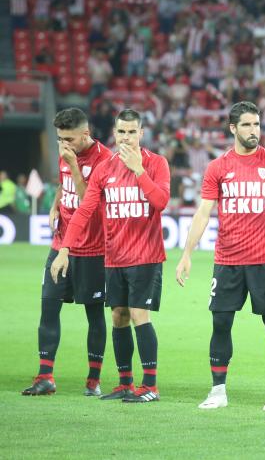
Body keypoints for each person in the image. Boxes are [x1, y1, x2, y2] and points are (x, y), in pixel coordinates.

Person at [176, 101, 265, 411]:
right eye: (247, 125)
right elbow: (203, 213)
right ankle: (218, 391)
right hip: (227, 261)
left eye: (257, 125)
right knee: (220, 323)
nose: (254, 131)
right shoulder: (218, 167)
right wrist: (186, 254)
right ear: (233, 128)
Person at [51, 108, 170, 403]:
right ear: (114, 133)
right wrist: (64, 248)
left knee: (139, 314)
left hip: (146, 254)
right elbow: (85, 210)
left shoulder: (157, 164)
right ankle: (125, 382)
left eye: (132, 131)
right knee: (118, 316)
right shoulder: (105, 169)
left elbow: (161, 202)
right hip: (114, 256)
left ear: (141, 133)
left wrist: (139, 170)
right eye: (121, 131)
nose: (126, 137)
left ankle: (150, 386)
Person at [22, 108, 112, 396]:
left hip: (93, 250)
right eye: (60, 138)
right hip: (60, 245)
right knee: (48, 307)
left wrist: (74, 165)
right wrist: (54, 204)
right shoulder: (65, 151)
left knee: (95, 315)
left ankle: (93, 381)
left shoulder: (105, 160)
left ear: (86, 134)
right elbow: (64, 184)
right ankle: (45, 376)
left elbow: (90, 204)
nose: (64, 144)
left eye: (69, 139)